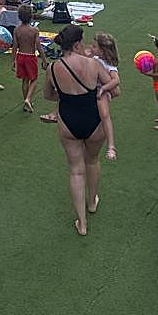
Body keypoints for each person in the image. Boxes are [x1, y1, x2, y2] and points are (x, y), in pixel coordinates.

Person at [42, 25, 112, 236]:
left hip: (68, 121)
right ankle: (92, 202)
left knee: (75, 169)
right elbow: (113, 87)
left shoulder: (53, 68)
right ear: (77, 44)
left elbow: (48, 95)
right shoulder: (92, 64)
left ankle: (81, 223)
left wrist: (67, 96)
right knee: (92, 160)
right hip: (93, 119)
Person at [87, 33, 120, 161]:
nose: (91, 47)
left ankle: (111, 146)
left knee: (105, 115)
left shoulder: (108, 64)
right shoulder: (95, 58)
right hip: (92, 87)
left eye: (94, 46)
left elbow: (116, 81)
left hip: (102, 91)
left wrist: (103, 89)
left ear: (102, 50)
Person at [13, 3, 47, 112]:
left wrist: (13, 60)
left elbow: (15, 46)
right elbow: (38, 46)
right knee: (34, 79)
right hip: (30, 57)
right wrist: (44, 59)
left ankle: (26, 103)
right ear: (31, 16)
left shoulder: (17, 30)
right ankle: (28, 99)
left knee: (24, 80)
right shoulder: (34, 30)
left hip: (20, 56)